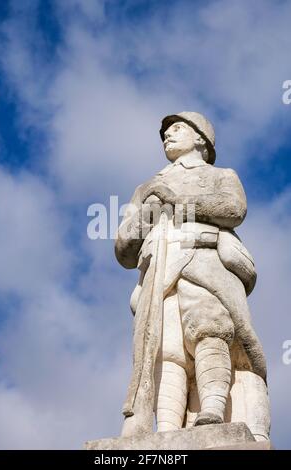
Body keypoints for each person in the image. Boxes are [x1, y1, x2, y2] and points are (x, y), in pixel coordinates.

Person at [115, 112, 270, 441]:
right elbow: (123, 248)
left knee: (210, 329)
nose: (167, 137)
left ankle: (213, 407)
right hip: (157, 272)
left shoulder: (220, 175)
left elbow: (233, 209)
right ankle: (166, 431)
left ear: (201, 139)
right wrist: (147, 214)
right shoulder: (147, 187)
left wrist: (179, 203)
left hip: (203, 262)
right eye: (165, 133)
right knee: (164, 349)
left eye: (176, 130)